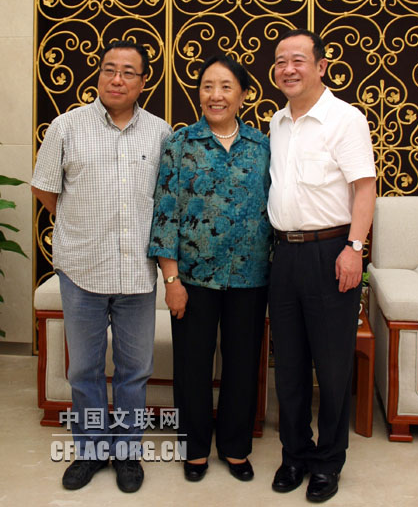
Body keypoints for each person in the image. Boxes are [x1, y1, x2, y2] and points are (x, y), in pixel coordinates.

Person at [31, 40, 172, 493]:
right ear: (98, 75)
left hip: (137, 275)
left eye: (128, 72)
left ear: (143, 82)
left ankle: (127, 454)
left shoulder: (160, 132)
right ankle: (91, 451)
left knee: (134, 370)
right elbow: (45, 189)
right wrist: (82, 225)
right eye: (109, 69)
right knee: (84, 371)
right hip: (82, 271)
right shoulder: (66, 127)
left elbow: (166, 199)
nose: (117, 79)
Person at [148, 55, 272, 483]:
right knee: (192, 367)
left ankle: (236, 448)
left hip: (250, 277)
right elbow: (165, 214)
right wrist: (171, 279)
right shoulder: (180, 143)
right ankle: (195, 449)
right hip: (193, 279)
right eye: (207, 86)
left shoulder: (262, 146)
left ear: (243, 95)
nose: (215, 95)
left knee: (243, 365)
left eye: (225, 87)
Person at [268, 29, 376, 502]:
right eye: (280, 61)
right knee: (288, 365)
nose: (288, 69)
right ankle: (295, 454)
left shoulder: (344, 119)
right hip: (283, 255)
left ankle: (329, 462)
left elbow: (365, 187)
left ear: (320, 66)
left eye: (298, 59)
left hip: (331, 252)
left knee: (331, 368)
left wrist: (355, 248)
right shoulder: (276, 122)